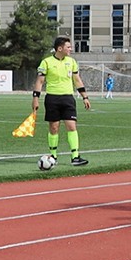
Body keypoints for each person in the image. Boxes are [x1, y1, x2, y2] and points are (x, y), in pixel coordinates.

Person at [31, 36, 90, 166]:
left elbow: (77, 80)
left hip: (68, 98)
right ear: (59, 48)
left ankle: (75, 157)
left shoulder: (72, 62)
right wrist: (35, 99)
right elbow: (40, 82)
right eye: (68, 47)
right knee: (54, 127)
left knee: (72, 126)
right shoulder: (46, 62)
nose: (71, 49)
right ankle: (53, 157)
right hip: (52, 98)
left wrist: (85, 97)